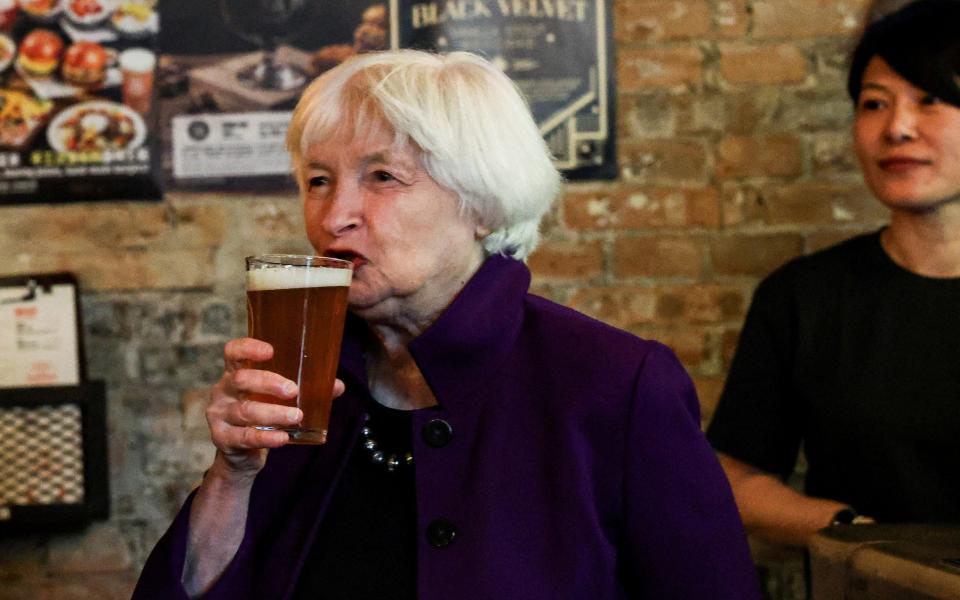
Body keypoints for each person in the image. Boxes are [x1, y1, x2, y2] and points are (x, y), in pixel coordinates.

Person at [132, 50, 760, 599]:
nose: (334, 215)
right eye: (317, 181)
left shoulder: (616, 386)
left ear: (482, 204)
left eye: (382, 177)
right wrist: (232, 474)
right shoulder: (306, 381)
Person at [707, 0, 960, 549]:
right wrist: (856, 535)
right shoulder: (805, 296)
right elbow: (733, 476)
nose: (897, 128)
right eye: (874, 104)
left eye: (931, 100)